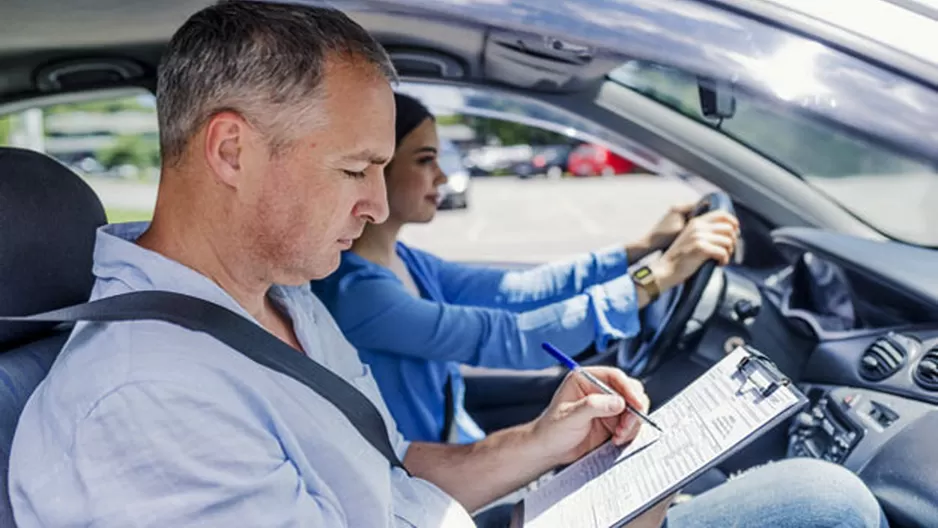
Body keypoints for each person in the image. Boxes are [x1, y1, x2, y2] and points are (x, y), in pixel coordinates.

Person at [8, 2, 886, 528]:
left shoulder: (277, 300)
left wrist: (539, 446)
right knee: (824, 504)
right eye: (355, 169)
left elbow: (388, 477)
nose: (379, 204)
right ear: (232, 151)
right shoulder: (145, 402)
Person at [311, 92, 740, 443]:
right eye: (425, 160)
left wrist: (643, 247)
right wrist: (658, 276)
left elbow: (521, 287)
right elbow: (511, 339)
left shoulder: (405, 260)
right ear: (376, 169)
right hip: (425, 480)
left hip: (458, 441)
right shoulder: (358, 293)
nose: (443, 176)